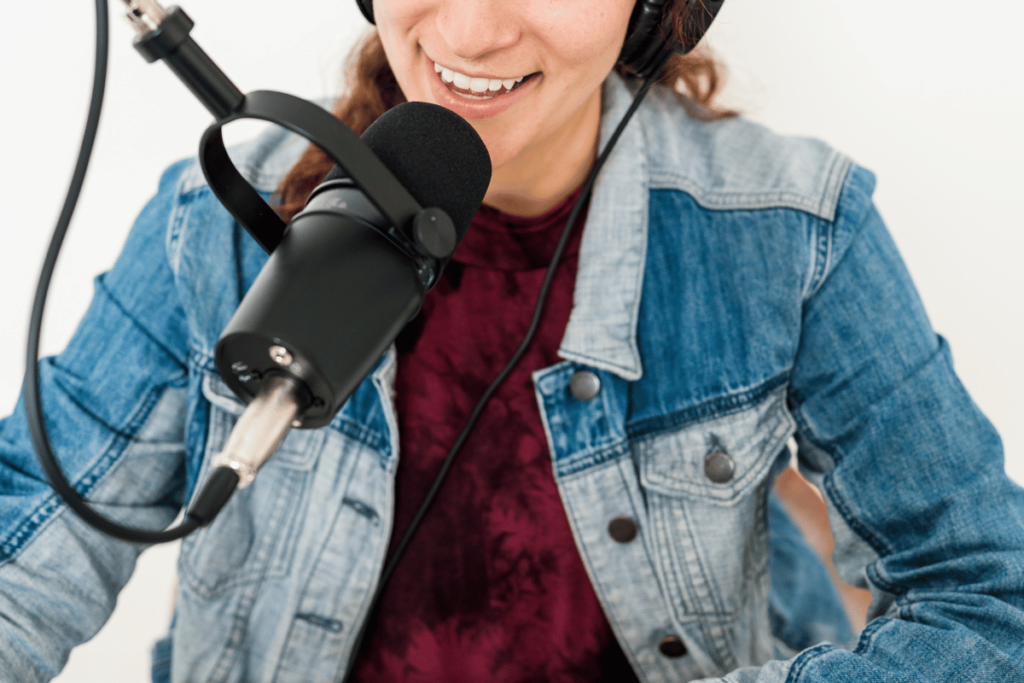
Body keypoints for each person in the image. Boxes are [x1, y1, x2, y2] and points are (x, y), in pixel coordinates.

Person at [1, 0, 1022, 682]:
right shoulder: (218, 211)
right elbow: (23, 565)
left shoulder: (792, 225)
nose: (474, 29)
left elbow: (988, 601)